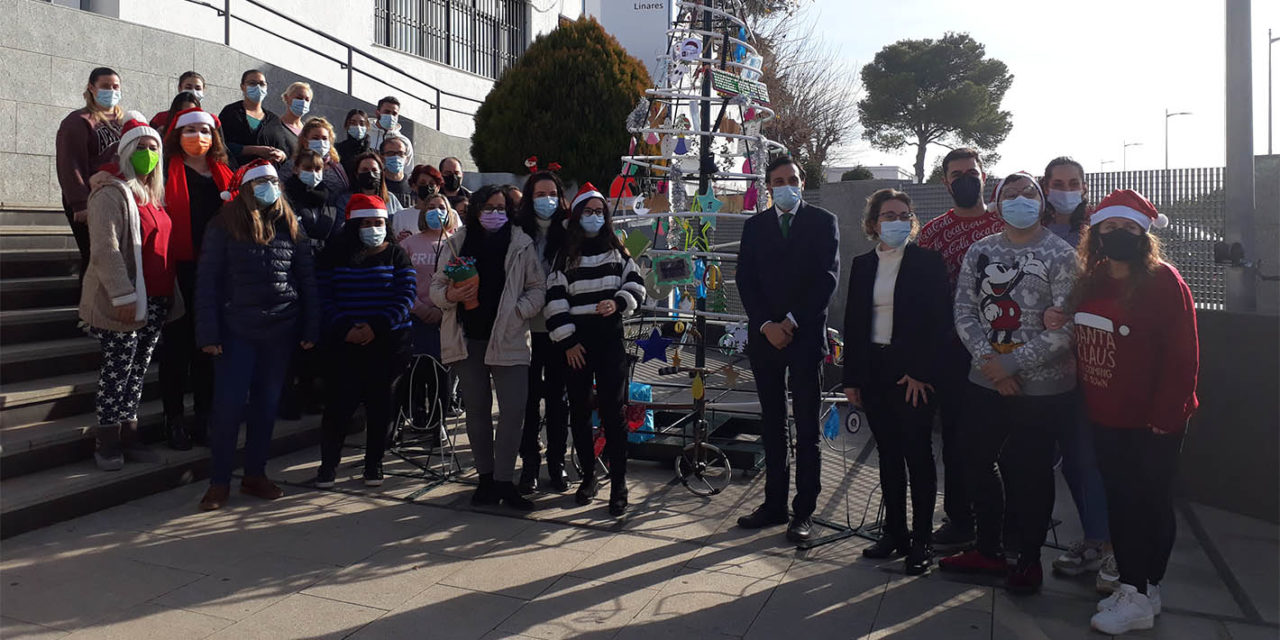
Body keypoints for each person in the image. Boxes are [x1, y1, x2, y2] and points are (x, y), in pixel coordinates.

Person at [1060, 190, 1198, 635]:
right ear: (1097, 233)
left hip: (1152, 422)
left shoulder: (1163, 281)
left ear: (1144, 233)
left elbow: (1183, 356)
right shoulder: (1092, 280)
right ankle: (1139, 587)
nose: (1118, 234)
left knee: (1149, 504)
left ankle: (1140, 590)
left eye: (1128, 228)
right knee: (1121, 502)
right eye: (1110, 227)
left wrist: (1167, 415)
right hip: (1105, 416)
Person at [939, 171, 1079, 594]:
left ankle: (1029, 558)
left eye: (1029, 194)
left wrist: (1014, 364)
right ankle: (988, 547)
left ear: (1042, 203)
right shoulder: (981, 252)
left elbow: (1066, 326)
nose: (1021, 200)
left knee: (1031, 471)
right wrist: (990, 363)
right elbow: (964, 310)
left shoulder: (1061, 254)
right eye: (1012, 194)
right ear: (998, 204)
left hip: (1042, 388)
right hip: (985, 380)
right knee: (974, 459)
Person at [196, 160, 319, 511]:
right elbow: (207, 282)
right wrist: (209, 332)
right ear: (248, 187)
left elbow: (306, 279)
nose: (271, 187)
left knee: (266, 407)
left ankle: (255, 475)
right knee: (229, 408)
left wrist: (311, 325)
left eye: (274, 181)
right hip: (236, 330)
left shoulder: (290, 225)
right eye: (263, 181)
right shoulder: (223, 224)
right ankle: (219, 481)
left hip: (280, 329)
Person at [842, 189, 949, 575]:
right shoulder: (862, 264)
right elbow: (854, 324)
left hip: (913, 377)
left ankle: (922, 540)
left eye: (904, 214)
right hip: (875, 373)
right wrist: (850, 377)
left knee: (917, 457)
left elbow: (938, 323)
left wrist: (921, 371)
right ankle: (896, 533)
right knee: (887, 456)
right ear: (874, 224)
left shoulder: (927, 263)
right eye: (889, 215)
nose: (897, 221)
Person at [734, 157, 840, 543]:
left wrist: (791, 323)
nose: (786, 186)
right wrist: (766, 325)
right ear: (768, 186)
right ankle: (773, 504)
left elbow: (826, 279)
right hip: (765, 340)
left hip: (805, 337)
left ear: (802, 181)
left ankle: (804, 512)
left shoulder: (823, 222)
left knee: (807, 428)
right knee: (773, 425)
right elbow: (745, 279)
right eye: (778, 181)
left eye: (792, 179)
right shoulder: (755, 226)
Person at [429, 184, 546, 511]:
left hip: (509, 338)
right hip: (468, 339)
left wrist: (518, 311)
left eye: (501, 207)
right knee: (477, 411)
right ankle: (485, 478)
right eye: (488, 207)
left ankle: (505, 480)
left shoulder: (521, 243)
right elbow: (436, 288)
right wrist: (450, 297)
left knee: (514, 411)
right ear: (476, 209)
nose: (495, 214)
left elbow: (538, 289)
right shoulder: (456, 243)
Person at [77, 114, 180, 471]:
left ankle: (129, 433)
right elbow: (105, 249)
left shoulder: (154, 195)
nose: (148, 153)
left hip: (156, 299)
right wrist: (122, 295)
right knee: (117, 370)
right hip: (125, 300)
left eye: (154, 148)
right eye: (141, 147)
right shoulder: (111, 192)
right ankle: (106, 440)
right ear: (125, 151)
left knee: (136, 372)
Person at [915, 147, 1005, 551]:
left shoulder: (1007, 224)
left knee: (1004, 441)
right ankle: (959, 518)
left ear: (984, 176)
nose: (965, 178)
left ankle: (1006, 523)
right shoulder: (933, 232)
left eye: (972, 171)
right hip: (951, 351)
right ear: (946, 181)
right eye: (956, 173)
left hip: (1006, 349)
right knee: (954, 437)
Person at [1038, 156, 1115, 591]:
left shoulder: (1100, 236)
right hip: (1042, 364)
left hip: (1090, 363)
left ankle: (1103, 545)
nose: (1066, 189)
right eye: (1058, 182)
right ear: (1045, 186)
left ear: (1085, 188)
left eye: (1074, 182)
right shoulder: (1036, 230)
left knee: (1086, 458)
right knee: (1060, 460)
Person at [545, 183, 646, 515]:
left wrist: (618, 302)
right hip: (577, 343)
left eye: (598, 212)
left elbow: (637, 285)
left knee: (613, 412)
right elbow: (555, 299)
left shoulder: (618, 250)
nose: (593, 218)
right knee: (578, 410)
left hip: (609, 339)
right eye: (587, 212)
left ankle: (618, 482)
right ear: (577, 216)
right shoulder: (565, 255)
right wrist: (569, 341)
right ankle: (588, 475)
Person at [312, 194, 416, 488]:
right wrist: (346, 327)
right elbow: (324, 295)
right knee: (338, 408)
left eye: (378, 223)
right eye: (367, 223)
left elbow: (405, 295)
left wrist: (376, 327)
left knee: (381, 407)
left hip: (387, 344)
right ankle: (328, 466)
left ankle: (374, 465)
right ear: (354, 225)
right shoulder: (334, 254)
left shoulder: (397, 255)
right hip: (344, 344)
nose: (373, 228)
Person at [158, 107, 234, 450]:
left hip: (216, 272)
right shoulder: (163, 172)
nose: (198, 137)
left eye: (205, 131)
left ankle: (205, 418)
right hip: (178, 270)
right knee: (176, 351)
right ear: (177, 135)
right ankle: (173, 420)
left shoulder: (225, 174)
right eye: (191, 131)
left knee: (209, 349)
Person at [515, 171, 570, 495]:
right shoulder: (518, 230)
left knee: (558, 400)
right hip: (526, 328)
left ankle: (557, 463)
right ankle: (530, 466)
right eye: (539, 194)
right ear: (529, 196)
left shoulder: (569, 231)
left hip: (560, 328)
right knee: (529, 400)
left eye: (552, 193)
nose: (546, 199)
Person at [397, 184, 460, 438]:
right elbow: (401, 282)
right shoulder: (410, 243)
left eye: (441, 208)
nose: (436, 212)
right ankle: (408, 419)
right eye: (431, 207)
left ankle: (438, 422)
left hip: (446, 316)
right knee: (414, 371)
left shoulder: (456, 243)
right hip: (416, 317)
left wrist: (443, 307)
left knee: (441, 374)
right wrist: (420, 308)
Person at [57, 66, 123, 280]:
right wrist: (80, 203)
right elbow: (70, 163)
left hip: (118, 198)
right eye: (105, 86)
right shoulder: (78, 121)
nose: (111, 91)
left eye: (115, 87)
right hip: (89, 200)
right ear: (91, 88)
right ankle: (87, 310)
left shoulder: (123, 122)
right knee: (95, 257)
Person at [218, 69, 286, 166]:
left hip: (266, 176)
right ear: (243, 87)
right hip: (235, 174)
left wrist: (281, 155)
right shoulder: (231, 112)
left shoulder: (273, 120)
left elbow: (283, 149)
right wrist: (253, 150)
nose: (258, 87)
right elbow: (219, 144)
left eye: (262, 84)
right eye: (252, 83)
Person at [290, 116, 350, 206]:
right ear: (305, 141)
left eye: (324, 138)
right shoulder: (293, 164)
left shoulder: (335, 165)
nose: (321, 142)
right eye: (315, 138)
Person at [258, 81, 311, 166]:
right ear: (287, 98)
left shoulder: (308, 131)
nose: (303, 102)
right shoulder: (274, 127)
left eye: (307, 99)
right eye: (299, 98)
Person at [336, 109, 371, 181]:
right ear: (347, 126)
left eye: (362, 124)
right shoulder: (337, 150)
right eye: (353, 123)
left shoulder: (372, 153)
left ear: (367, 126)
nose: (358, 126)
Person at [380, 134, 414, 205]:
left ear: (407, 159)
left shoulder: (413, 186)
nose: (396, 157)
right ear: (381, 158)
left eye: (400, 153)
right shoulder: (377, 184)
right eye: (390, 153)